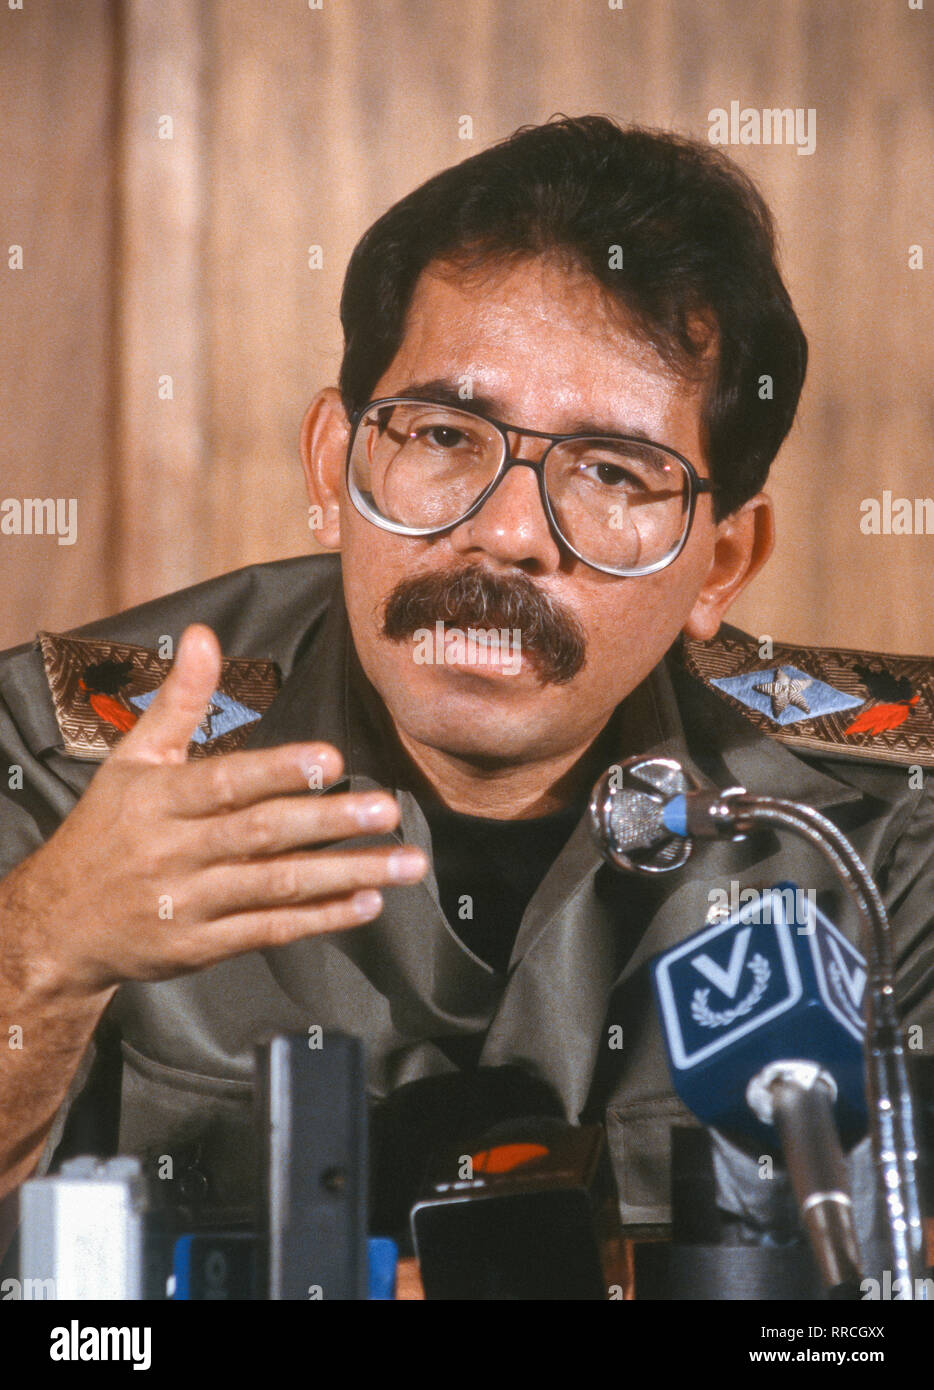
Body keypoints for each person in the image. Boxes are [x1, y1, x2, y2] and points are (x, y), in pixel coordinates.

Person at [0, 117, 931, 1246]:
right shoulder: (61, 766)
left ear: (719, 561)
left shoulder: (880, 832)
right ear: (334, 462)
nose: (503, 532)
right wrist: (38, 954)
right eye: (444, 433)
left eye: (609, 471)